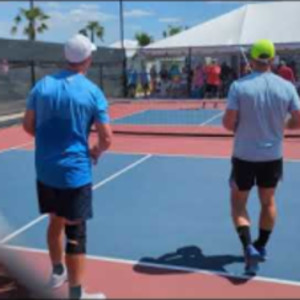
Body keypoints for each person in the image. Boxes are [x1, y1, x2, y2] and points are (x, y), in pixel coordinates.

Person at [23, 34, 113, 299]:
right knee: (76, 234)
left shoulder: (41, 87)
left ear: (66, 57)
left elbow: (29, 126)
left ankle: (57, 271)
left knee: (54, 221)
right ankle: (76, 294)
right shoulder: (92, 92)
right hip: (74, 174)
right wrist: (95, 151)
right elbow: (107, 138)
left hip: (45, 171)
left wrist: (51, 142)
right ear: (87, 59)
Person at [222, 39, 300, 275]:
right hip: (272, 157)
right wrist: (284, 126)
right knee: (268, 202)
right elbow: (298, 120)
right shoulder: (286, 87)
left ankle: (248, 247)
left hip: (244, 156)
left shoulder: (239, 86)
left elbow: (228, 123)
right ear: (273, 59)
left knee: (238, 204)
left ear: (252, 59)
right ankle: (261, 246)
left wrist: (238, 125)